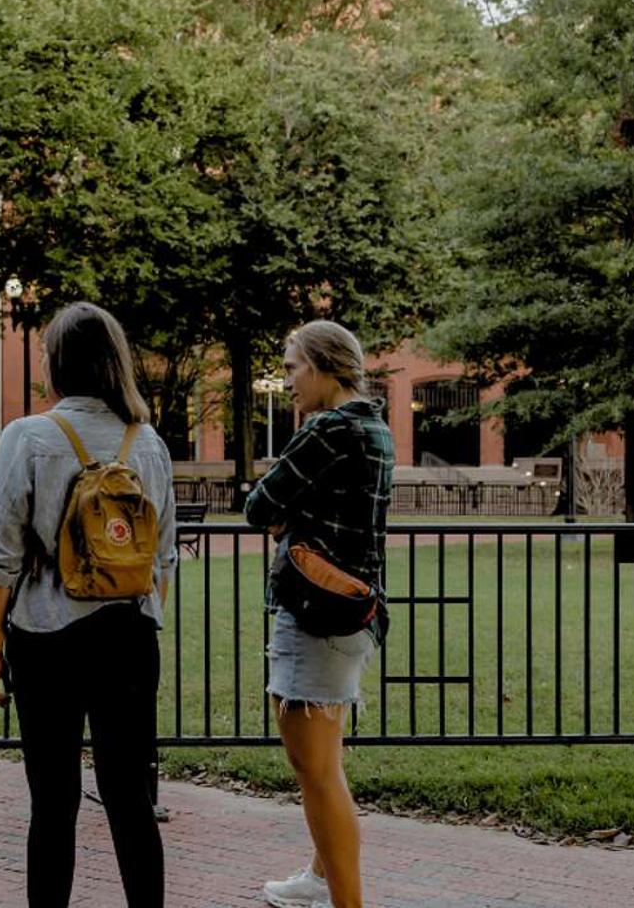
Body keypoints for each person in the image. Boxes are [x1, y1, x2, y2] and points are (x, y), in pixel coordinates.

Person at [0, 302, 178, 908]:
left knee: (53, 801)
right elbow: (161, 557)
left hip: (47, 635)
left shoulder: (28, 437)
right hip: (131, 635)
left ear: (58, 362)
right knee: (130, 801)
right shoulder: (149, 444)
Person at [244, 320, 395, 908]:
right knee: (326, 764)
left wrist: (288, 520)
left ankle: (346, 902)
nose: (287, 382)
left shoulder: (328, 430)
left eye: (292, 368)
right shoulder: (374, 427)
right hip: (356, 609)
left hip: (315, 615)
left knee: (316, 772)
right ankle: (319, 875)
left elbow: (259, 507)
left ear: (325, 365)